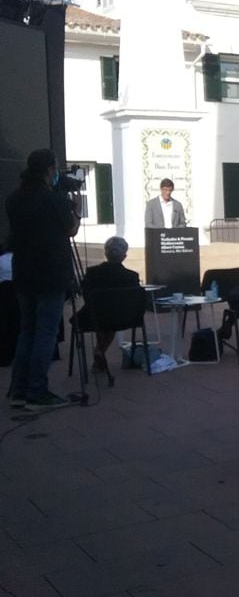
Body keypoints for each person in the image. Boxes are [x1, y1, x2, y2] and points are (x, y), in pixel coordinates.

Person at [5, 149, 80, 410]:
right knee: (45, 333)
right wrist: (77, 210)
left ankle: (19, 390)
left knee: (27, 331)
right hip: (50, 273)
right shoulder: (53, 199)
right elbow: (70, 229)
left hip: (23, 273)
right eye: (56, 168)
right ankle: (37, 392)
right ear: (49, 170)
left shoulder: (14, 199)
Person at [76, 236, 141, 373]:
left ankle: (99, 352)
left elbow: (85, 294)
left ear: (105, 253)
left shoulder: (92, 273)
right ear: (124, 256)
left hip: (92, 317)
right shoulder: (131, 276)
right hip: (124, 318)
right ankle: (99, 351)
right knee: (111, 321)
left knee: (102, 318)